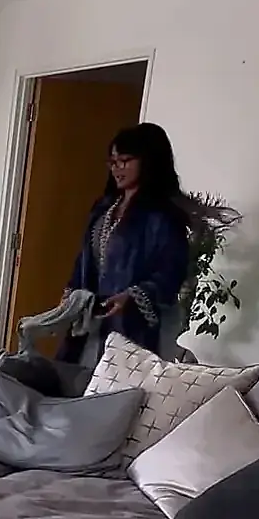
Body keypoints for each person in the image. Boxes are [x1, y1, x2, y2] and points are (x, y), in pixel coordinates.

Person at [60, 122, 193, 360]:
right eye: (112, 162)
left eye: (124, 161)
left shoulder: (162, 216)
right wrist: (71, 293)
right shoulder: (103, 207)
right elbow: (84, 260)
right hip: (92, 322)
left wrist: (133, 296)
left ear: (148, 161)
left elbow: (171, 271)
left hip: (133, 329)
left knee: (120, 379)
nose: (116, 169)